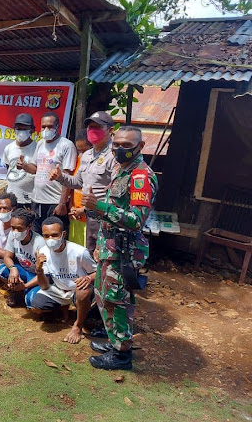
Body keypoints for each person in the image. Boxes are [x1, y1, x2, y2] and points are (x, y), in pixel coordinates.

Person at [81, 126, 158, 371]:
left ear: (140, 147)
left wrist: (101, 207)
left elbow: (136, 219)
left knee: (118, 300)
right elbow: (114, 210)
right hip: (110, 245)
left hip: (125, 250)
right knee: (104, 296)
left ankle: (122, 355)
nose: (120, 149)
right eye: (117, 144)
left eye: (127, 145)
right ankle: (114, 340)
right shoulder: (120, 169)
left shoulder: (140, 177)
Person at [50, 111, 116, 254]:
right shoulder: (86, 155)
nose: (92, 130)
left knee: (104, 256)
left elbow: (117, 194)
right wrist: (60, 177)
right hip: (90, 217)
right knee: (89, 254)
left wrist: (92, 207)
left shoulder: (114, 156)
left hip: (106, 218)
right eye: (90, 127)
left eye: (97, 127)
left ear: (110, 130)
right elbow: (77, 182)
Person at [24, 216, 97, 344]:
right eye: (46, 236)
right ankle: (64, 308)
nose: (50, 239)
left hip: (77, 290)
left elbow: (98, 272)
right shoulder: (43, 252)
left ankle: (77, 326)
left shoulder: (79, 252)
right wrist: (39, 269)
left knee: (83, 293)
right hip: (59, 289)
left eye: (54, 235)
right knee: (36, 305)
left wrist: (88, 278)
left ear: (63, 234)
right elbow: (44, 286)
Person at [19, 111, 76, 231]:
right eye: (43, 126)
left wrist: (62, 203)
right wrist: (24, 166)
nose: (46, 129)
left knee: (54, 239)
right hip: (37, 201)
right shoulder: (40, 144)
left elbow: (68, 176)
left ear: (57, 127)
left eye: (50, 126)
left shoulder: (66, 145)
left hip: (54, 203)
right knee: (38, 238)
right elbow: (35, 169)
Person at [0, 208, 46, 307]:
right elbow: (7, 256)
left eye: (20, 228)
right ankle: (17, 291)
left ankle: (23, 290)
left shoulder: (39, 243)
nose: (15, 231)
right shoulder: (12, 235)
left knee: (31, 302)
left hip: (37, 276)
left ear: (29, 226)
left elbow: (46, 274)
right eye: (13, 228)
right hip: (22, 271)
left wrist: (25, 286)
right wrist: (13, 270)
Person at [3, 113, 37, 209]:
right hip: (11, 199)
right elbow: (8, 168)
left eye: (25, 129)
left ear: (32, 130)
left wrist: (26, 167)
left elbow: (39, 171)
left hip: (30, 200)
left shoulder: (37, 148)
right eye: (19, 129)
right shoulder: (9, 148)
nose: (21, 132)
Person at [66, 130, 93, 247]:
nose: (81, 154)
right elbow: (73, 185)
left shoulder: (96, 164)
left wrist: (83, 210)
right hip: (74, 214)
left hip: (89, 217)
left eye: (84, 150)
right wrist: (71, 205)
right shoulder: (77, 160)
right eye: (79, 150)